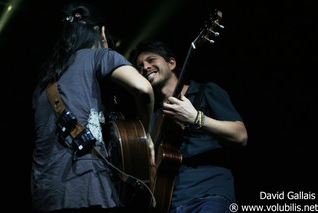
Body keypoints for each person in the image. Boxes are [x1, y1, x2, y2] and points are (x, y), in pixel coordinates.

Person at [31, 2, 155, 213]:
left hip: (45, 193)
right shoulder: (100, 56)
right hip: (88, 187)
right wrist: (146, 135)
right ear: (101, 32)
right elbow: (143, 89)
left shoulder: (43, 83)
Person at [129, 39, 248, 213]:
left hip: (209, 194)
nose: (145, 67)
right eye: (140, 66)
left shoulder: (205, 91)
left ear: (171, 63)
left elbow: (241, 135)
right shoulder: (151, 115)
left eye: (151, 60)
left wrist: (196, 118)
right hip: (169, 201)